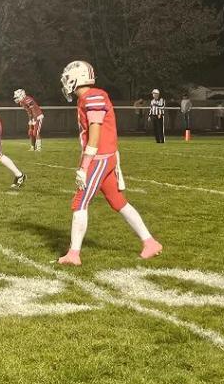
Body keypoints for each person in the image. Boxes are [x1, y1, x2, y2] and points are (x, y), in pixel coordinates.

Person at [56, 61, 162, 266]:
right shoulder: (87, 97)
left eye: (68, 78)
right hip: (105, 156)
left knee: (80, 202)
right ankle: (150, 243)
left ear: (77, 78)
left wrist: (85, 165)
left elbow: (95, 130)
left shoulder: (93, 96)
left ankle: (73, 254)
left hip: (99, 158)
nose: (65, 83)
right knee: (117, 201)